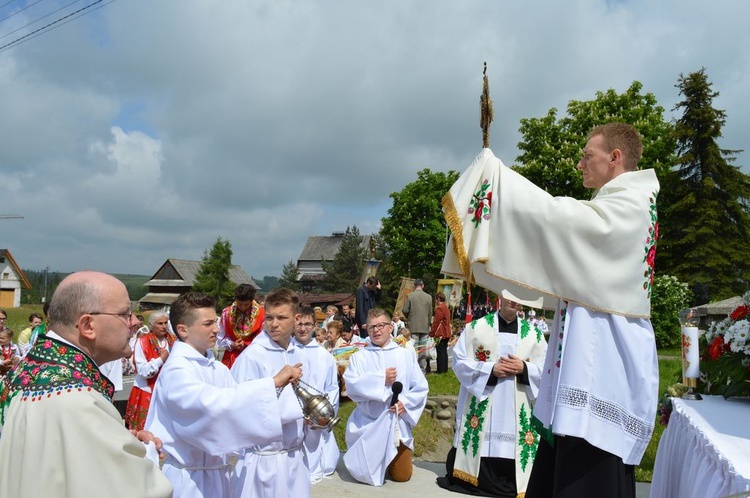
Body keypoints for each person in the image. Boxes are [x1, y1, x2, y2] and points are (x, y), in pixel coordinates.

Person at [442, 122, 659, 498]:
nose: (579, 164)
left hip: (603, 363)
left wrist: (499, 178)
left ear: (615, 157)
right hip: (589, 356)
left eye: (587, 155)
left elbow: (559, 219)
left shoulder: (631, 204)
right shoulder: (618, 204)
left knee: (589, 472)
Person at [0, 271, 172, 497]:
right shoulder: (78, 397)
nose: (134, 322)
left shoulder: (26, 369)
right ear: (87, 325)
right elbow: (133, 488)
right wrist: (147, 451)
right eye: (125, 314)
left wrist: (119, 439)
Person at [144, 292, 301, 497]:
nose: (217, 329)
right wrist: (271, 384)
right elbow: (211, 407)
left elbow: (238, 411)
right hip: (190, 480)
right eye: (208, 324)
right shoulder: (177, 371)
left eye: (216, 322)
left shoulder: (218, 369)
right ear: (183, 330)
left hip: (219, 474)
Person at [437, 294, 548, 497]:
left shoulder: (535, 335)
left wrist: (524, 368)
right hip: (487, 397)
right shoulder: (476, 328)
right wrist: (490, 370)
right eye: (509, 296)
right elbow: (459, 362)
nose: (513, 301)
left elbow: (546, 370)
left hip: (518, 400)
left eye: (518, 298)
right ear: (500, 297)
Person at [231, 287, 309, 498]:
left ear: (297, 318)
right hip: (265, 459)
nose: (274, 324)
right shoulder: (253, 356)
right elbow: (239, 404)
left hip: (294, 455)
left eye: (282, 317)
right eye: (270, 318)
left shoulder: (297, 352)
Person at [343, 308, 428, 486]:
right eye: (372, 326)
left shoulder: (405, 355)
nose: (376, 330)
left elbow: (420, 387)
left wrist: (405, 403)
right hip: (368, 424)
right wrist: (381, 379)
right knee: (364, 474)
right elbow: (351, 386)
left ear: (390, 328)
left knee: (401, 476)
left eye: (381, 325)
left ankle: (390, 459)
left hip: (396, 424)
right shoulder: (360, 357)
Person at [292, 306, 341, 484]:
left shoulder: (324, 355)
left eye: (307, 324)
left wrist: (321, 415)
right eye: (299, 324)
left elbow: (332, 388)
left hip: (317, 414)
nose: (303, 328)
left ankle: (316, 467)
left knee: (316, 446)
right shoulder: (286, 352)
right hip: (293, 412)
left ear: (315, 326)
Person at [125, 311, 174, 431]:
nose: (164, 326)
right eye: (160, 323)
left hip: (168, 390)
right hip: (146, 391)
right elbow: (143, 371)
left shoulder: (173, 341)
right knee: (145, 428)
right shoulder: (142, 341)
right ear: (152, 325)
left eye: (166, 323)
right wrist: (161, 359)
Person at [218, 283, 265, 369]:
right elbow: (221, 336)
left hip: (254, 357)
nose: (243, 307)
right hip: (232, 357)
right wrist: (232, 344)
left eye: (246, 304)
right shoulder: (227, 313)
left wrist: (248, 345)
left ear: (251, 301)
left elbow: (263, 337)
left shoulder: (261, 313)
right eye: (240, 304)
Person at [402, 279, 434, 373]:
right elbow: (430, 312)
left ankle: (413, 368)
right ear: (423, 286)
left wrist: (409, 317)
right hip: (424, 326)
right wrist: (428, 323)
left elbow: (404, 310)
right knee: (423, 349)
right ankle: (422, 369)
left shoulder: (410, 296)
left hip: (413, 325)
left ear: (414, 285)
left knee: (413, 348)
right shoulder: (428, 297)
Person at [430, 292, 452, 374]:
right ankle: (444, 369)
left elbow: (436, 322)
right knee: (444, 351)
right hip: (447, 332)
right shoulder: (446, 307)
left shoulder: (439, 308)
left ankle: (440, 369)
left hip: (441, 333)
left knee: (440, 351)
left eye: (436, 299)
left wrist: (432, 333)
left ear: (438, 299)